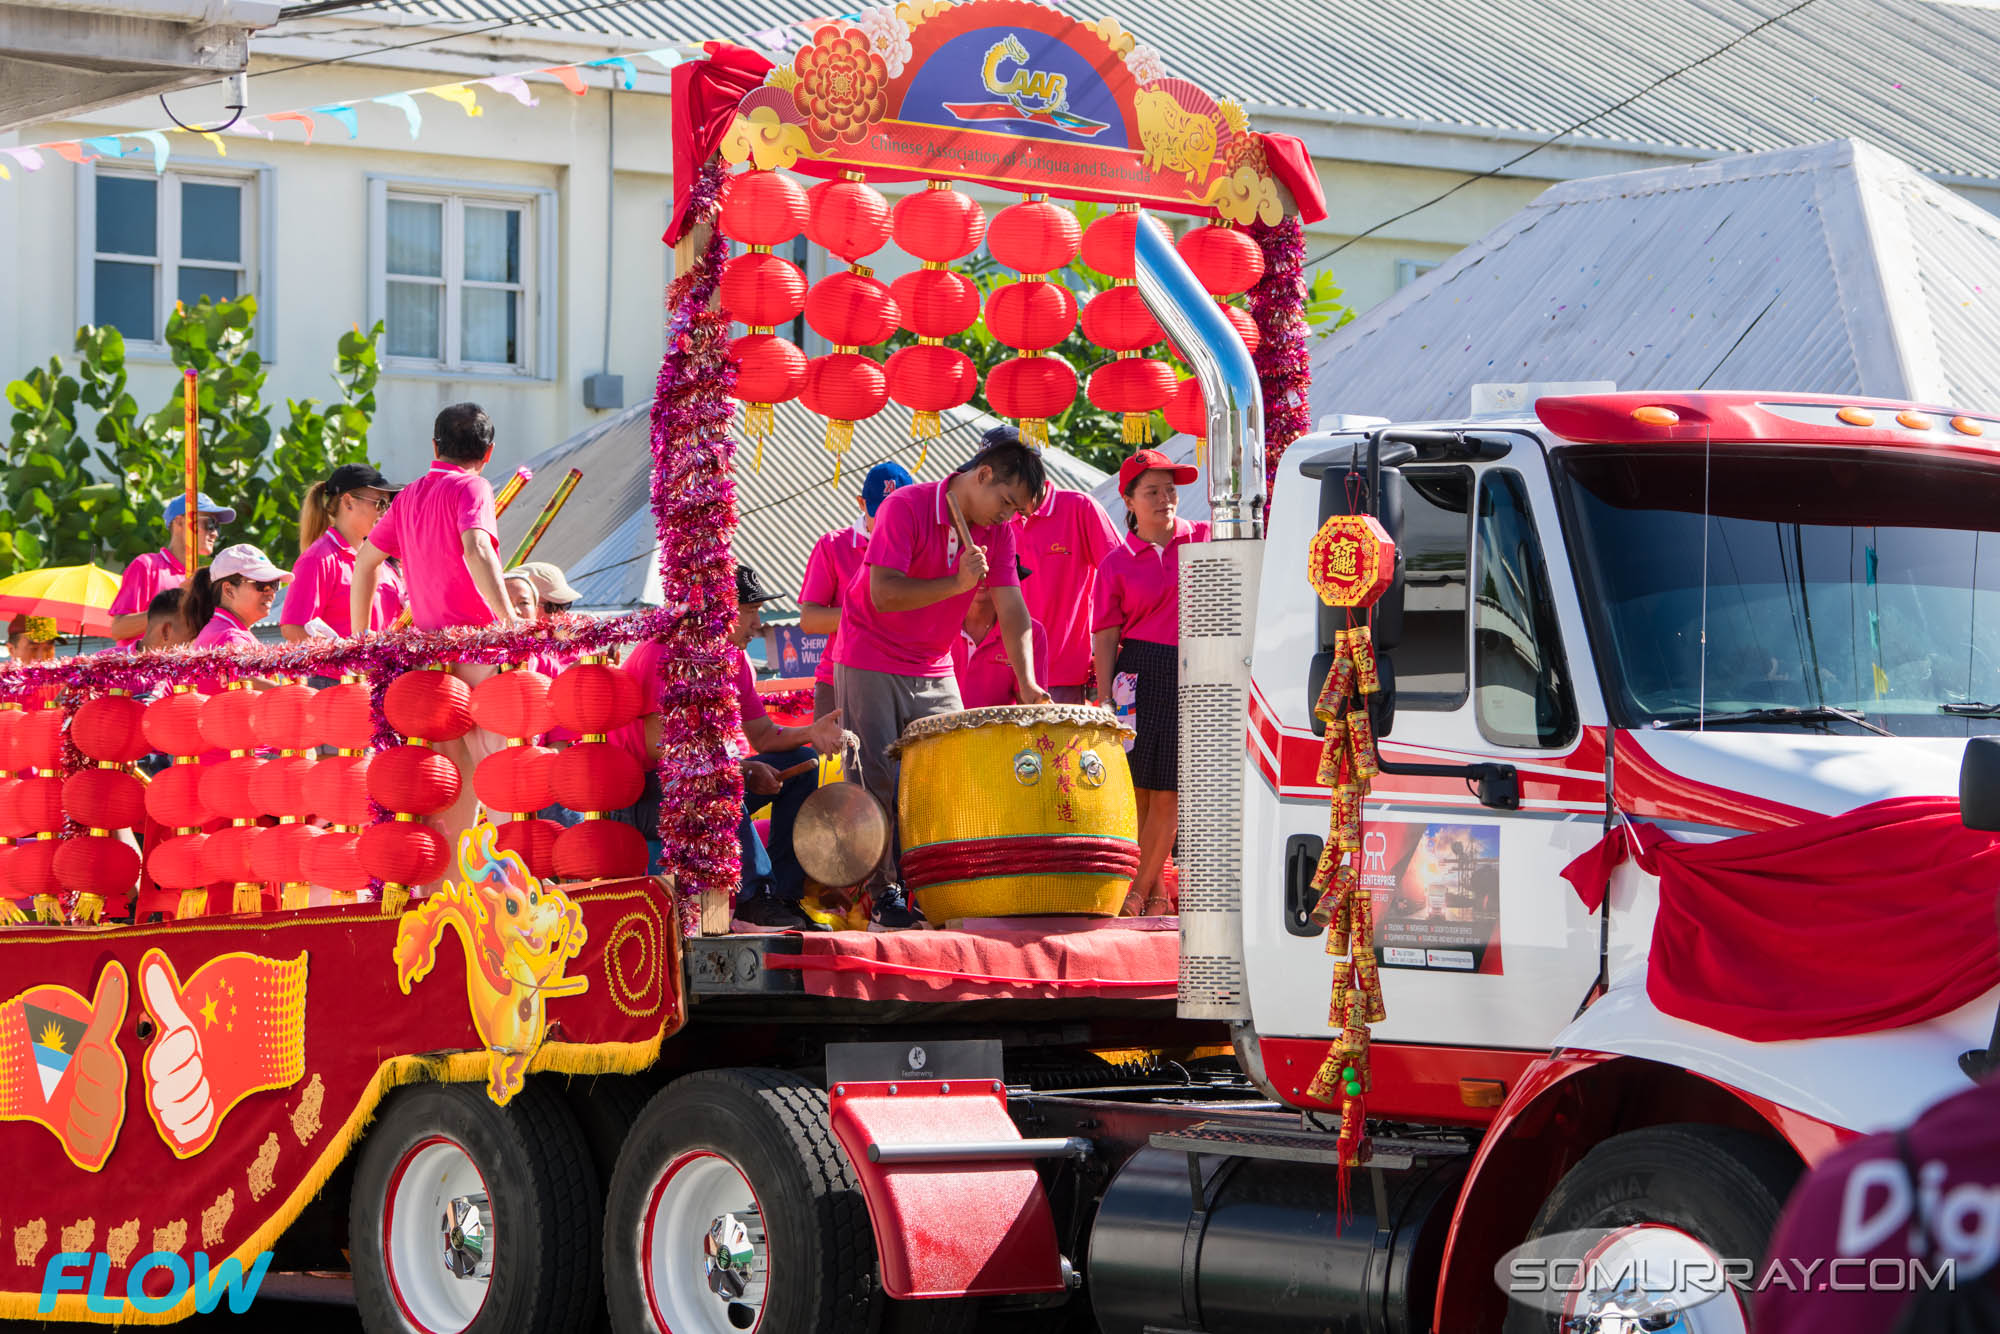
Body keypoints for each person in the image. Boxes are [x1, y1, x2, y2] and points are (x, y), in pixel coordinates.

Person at [836, 436, 1049, 927]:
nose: (1007, 516)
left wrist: (1028, 681)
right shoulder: (904, 507)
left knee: (951, 776)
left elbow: (1012, 608)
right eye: (1007, 503)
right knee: (875, 780)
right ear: (983, 475)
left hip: (933, 665)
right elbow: (883, 594)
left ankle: (940, 884)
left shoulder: (999, 533)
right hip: (870, 655)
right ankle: (882, 894)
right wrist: (955, 585)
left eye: (1018, 511)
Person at [610, 564, 845, 932]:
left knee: (803, 761)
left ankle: (781, 897)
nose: (757, 624)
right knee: (719, 782)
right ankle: (754, 901)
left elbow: (765, 737)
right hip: (638, 796)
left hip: (699, 784)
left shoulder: (734, 659)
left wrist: (812, 733)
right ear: (718, 611)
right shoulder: (664, 654)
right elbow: (661, 747)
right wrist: (741, 771)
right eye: (750, 612)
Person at [351, 403, 516, 894]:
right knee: (506, 784)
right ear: (487, 453)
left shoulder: (411, 496)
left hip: (430, 666)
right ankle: (511, 898)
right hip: (478, 654)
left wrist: (364, 643)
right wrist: (511, 624)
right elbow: (477, 548)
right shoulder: (472, 485)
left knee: (450, 791)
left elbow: (364, 564)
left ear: (434, 446)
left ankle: (446, 899)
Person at [1093, 449, 1208, 916]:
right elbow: (1105, 633)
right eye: (1153, 491)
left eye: (1171, 489)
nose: (1166, 499)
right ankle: (1156, 889)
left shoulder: (1204, 539)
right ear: (1129, 500)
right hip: (1134, 675)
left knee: (1169, 789)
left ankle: (1135, 894)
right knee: (1136, 790)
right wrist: (1103, 696)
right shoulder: (1115, 563)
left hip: (1191, 671)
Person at [1011, 431, 1121, 704]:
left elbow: (1120, 575)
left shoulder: (1079, 508)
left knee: (1060, 748)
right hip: (1000, 673)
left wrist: (1111, 652)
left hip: (1062, 674)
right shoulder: (993, 518)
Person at [799, 461, 913, 719]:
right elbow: (809, 621)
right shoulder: (833, 546)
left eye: (897, 512)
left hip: (906, 676)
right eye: (879, 512)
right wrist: (870, 609)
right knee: (836, 759)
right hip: (838, 679)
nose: (887, 521)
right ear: (862, 504)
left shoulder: (922, 546)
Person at [281, 463, 405, 641]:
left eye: (388, 505)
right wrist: (346, 660)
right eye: (380, 503)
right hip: (346, 669)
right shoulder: (318, 558)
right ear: (348, 501)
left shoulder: (382, 561)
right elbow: (294, 628)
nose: (385, 513)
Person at [106, 492, 233, 646]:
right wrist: (174, 610)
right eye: (210, 524)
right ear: (180, 522)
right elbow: (118, 629)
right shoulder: (147, 566)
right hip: (145, 667)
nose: (215, 534)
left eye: (217, 527)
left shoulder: (202, 579)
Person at [952, 587, 1050, 709]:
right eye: (971, 566)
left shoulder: (1032, 632)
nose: (983, 573)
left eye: (994, 567)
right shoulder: (936, 623)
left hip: (999, 726)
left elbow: (1029, 708)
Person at [187, 544, 292, 651]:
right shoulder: (232, 641)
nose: (270, 591)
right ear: (229, 590)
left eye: (274, 584)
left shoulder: (225, 632)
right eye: (261, 584)